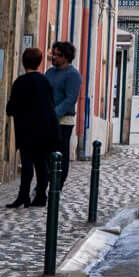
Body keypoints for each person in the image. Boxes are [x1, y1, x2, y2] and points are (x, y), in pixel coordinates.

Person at [7, 47, 59, 207]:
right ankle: (41, 196)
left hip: (26, 129)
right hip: (44, 129)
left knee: (27, 163)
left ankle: (23, 196)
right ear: (39, 63)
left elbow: (11, 108)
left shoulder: (20, 82)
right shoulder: (45, 81)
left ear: (23, 62)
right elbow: (51, 104)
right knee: (41, 164)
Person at [46, 41, 81, 180]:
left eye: (57, 55)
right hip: (48, 119)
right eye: (52, 54)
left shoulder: (73, 74)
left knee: (61, 153)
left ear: (66, 57)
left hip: (63, 121)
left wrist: (54, 114)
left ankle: (58, 184)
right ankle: (45, 182)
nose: (53, 57)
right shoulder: (49, 72)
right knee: (46, 153)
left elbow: (70, 99)